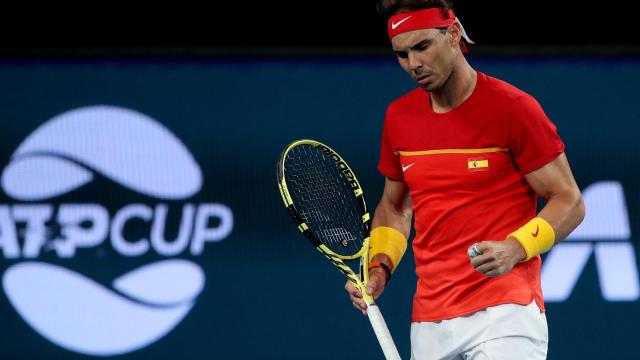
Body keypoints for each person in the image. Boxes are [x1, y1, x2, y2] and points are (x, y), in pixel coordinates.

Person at [345, 1, 586, 359]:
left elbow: (570, 202)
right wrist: (379, 267)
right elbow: (395, 207)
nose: (414, 64)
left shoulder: (513, 109)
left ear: (453, 34)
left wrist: (516, 247)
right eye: (402, 54)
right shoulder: (399, 117)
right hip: (430, 320)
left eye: (423, 46)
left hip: (505, 313)